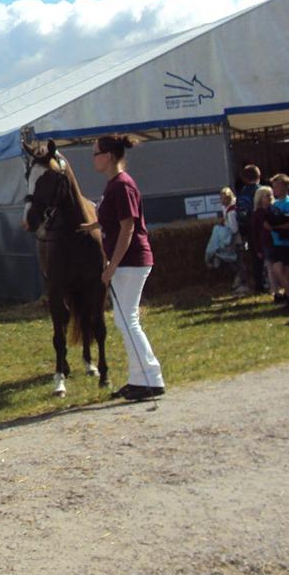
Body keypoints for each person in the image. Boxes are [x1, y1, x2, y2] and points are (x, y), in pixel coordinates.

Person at [87, 135, 164, 402]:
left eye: (95, 153)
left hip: (131, 262)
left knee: (127, 320)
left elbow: (128, 226)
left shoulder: (121, 185)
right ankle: (140, 380)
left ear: (108, 155)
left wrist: (112, 265)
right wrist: (92, 227)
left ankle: (151, 378)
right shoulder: (114, 185)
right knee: (126, 320)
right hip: (128, 262)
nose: (93, 158)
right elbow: (112, 220)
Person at [266, 174, 289, 309]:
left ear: (285, 187)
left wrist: (276, 227)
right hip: (277, 242)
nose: (274, 189)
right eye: (273, 186)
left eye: (277, 186)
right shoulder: (275, 204)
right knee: (277, 268)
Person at [236, 164, 262, 292]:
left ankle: (258, 283)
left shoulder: (242, 193)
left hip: (249, 229)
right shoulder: (262, 190)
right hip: (262, 228)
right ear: (259, 176)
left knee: (254, 257)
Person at [250, 186, 277, 297]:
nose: (270, 197)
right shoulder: (257, 214)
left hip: (277, 241)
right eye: (267, 196)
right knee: (270, 267)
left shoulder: (275, 210)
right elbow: (255, 233)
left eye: (271, 195)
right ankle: (274, 289)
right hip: (266, 244)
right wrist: (258, 249)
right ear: (260, 198)